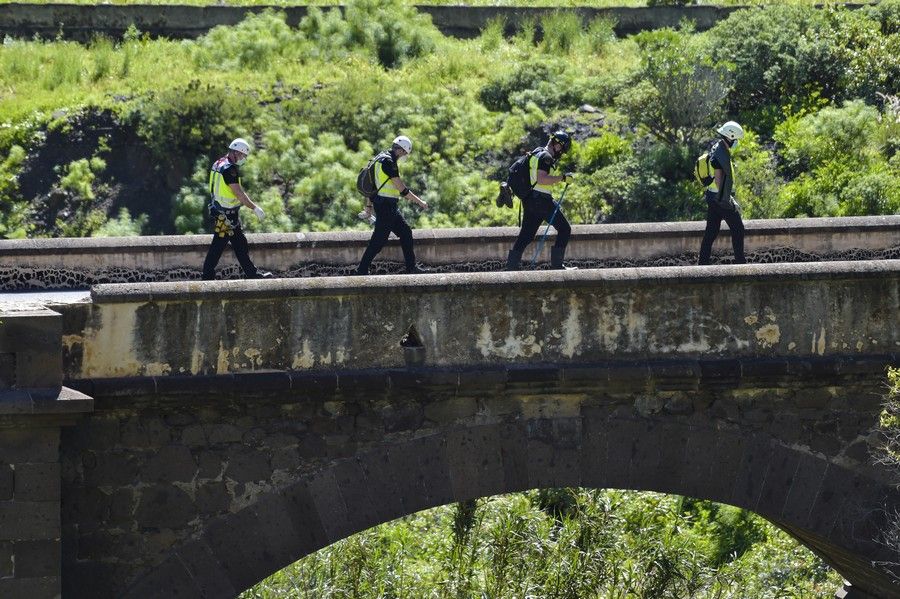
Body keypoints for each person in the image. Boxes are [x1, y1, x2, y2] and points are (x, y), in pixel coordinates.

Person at [355, 135, 429, 275]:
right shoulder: (390, 163)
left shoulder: (379, 158)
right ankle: (361, 271)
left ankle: (411, 267)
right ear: (401, 150)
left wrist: (369, 207)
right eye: (405, 153)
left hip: (386, 206)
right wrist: (420, 202)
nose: (404, 156)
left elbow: (372, 188)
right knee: (378, 241)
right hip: (386, 207)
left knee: (406, 232)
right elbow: (402, 190)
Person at [202, 138, 272, 280]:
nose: (243, 159)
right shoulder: (229, 169)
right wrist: (254, 208)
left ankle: (252, 274)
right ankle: (206, 276)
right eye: (242, 155)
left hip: (223, 212)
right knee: (218, 246)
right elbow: (239, 193)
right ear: (235, 153)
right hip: (226, 215)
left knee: (240, 244)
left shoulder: (219, 163)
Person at [506, 131, 575, 270]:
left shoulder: (537, 152)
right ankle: (557, 266)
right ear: (557, 144)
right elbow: (541, 178)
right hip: (542, 201)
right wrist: (562, 178)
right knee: (565, 229)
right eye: (562, 148)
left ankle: (511, 267)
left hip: (530, 200)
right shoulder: (546, 157)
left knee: (527, 235)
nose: (561, 152)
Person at [698, 121, 746, 265]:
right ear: (730, 137)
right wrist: (729, 200)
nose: (736, 142)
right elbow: (719, 180)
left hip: (711, 196)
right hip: (720, 199)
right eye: (735, 139)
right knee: (738, 229)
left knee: (711, 232)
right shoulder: (720, 155)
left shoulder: (717, 147)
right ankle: (740, 265)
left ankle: (702, 264)